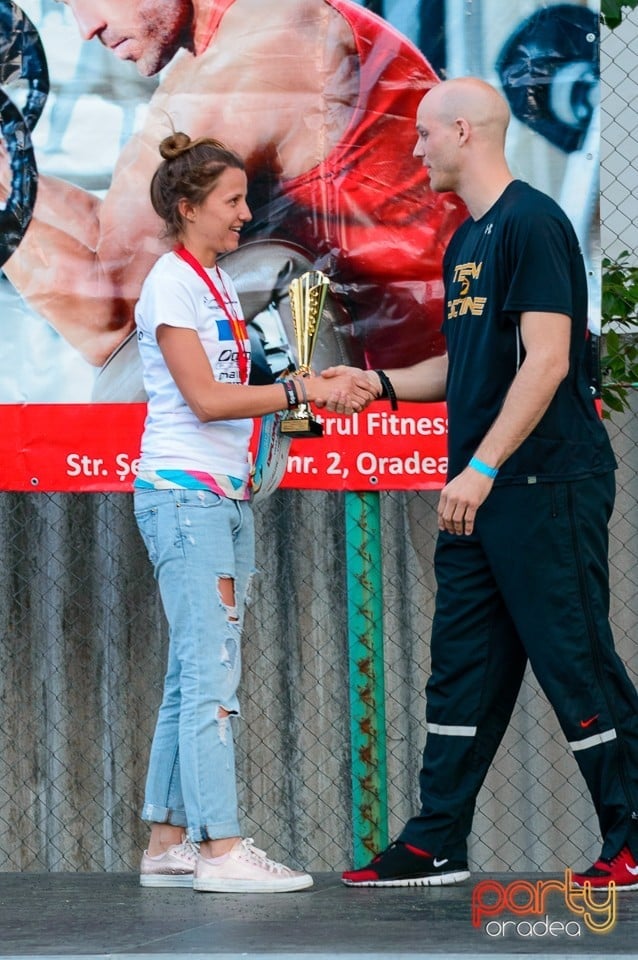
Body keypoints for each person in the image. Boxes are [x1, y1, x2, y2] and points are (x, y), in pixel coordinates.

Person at [333, 77, 638, 890]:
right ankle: (436, 841)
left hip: (542, 482)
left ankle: (633, 834)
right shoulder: (467, 239)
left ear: (463, 132)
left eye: (425, 135)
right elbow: (466, 365)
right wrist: (378, 383)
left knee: (575, 661)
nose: (416, 150)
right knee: (462, 666)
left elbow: (548, 360)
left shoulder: (533, 223)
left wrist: (482, 465)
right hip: (479, 492)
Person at [133, 130, 374, 892]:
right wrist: (303, 390)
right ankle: (221, 851)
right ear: (187, 207)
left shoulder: (208, 280)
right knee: (212, 679)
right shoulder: (171, 283)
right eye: (232, 201)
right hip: (187, 498)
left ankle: (167, 843)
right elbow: (206, 400)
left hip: (220, 498)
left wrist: (309, 387)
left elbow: (245, 390)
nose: (245, 213)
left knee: (192, 674)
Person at [2, 0, 466, 374]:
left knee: (140, 376)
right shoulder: (209, 59)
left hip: (436, 407)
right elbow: (110, 242)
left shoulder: (257, 56)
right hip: (375, 391)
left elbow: (110, 324)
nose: (87, 27)